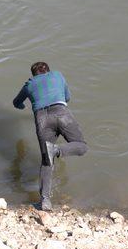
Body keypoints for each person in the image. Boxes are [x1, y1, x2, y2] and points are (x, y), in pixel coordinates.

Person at [12, 62, 88, 211]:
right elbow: (67, 98)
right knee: (81, 146)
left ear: (34, 75)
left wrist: (23, 106)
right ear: (48, 70)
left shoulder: (29, 84)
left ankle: (45, 201)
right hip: (61, 113)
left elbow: (16, 103)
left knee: (47, 161)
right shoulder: (58, 75)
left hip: (42, 120)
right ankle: (57, 149)